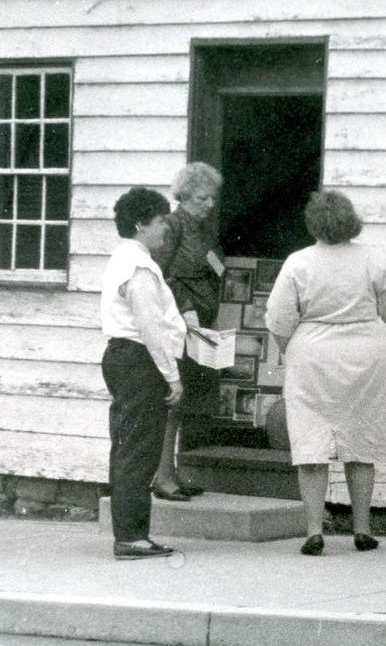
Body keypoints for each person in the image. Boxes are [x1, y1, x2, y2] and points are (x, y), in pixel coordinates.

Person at [265, 190, 386, 556]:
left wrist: (289, 347)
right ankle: (362, 528)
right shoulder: (372, 260)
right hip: (364, 353)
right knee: (361, 440)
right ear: (351, 220)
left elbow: (279, 318)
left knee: (311, 442)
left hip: (313, 354)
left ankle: (314, 530)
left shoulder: (298, 262)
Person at [100, 187, 186, 560]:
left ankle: (130, 533)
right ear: (140, 225)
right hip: (139, 359)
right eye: (160, 221)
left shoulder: (123, 259)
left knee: (126, 444)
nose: (166, 228)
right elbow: (150, 326)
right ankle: (132, 537)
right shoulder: (140, 267)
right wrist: (172, 375)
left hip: (123, 356)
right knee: (139, 449)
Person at [152, 162, 225, 500]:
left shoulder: (201, 230)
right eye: (201, 198)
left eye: (211, 198)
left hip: (199, 330)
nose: (209, 205)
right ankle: (163, 477)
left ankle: (173, 472)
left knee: (187, 403)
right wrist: (185, 307)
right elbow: (159, 278)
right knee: (173, 401)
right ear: (183, 196)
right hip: (179, 328)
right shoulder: (172, 227)